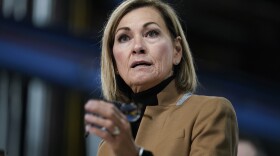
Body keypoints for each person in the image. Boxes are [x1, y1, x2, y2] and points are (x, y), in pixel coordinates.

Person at [84, 0, 239, 155]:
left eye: (152, 33)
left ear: (177, 51)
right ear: (114, 63)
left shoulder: (210, 112)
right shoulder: (107, 145)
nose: (137, 47)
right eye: (124, 37)